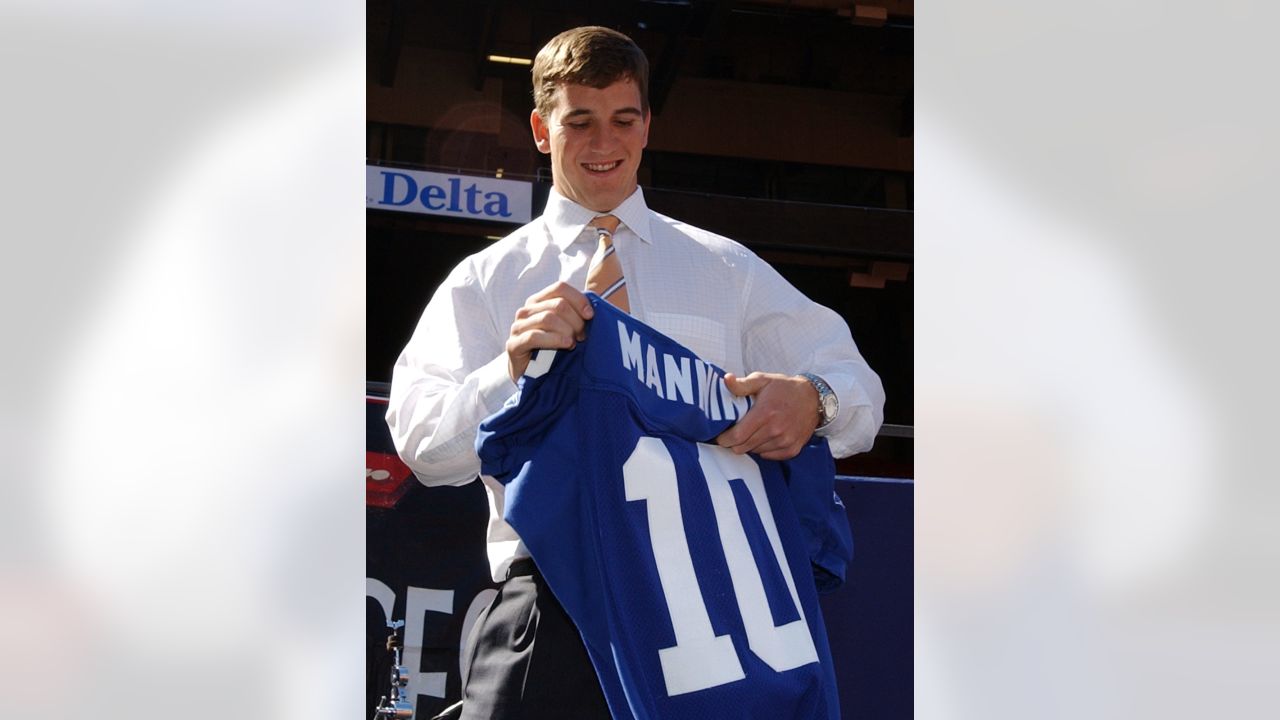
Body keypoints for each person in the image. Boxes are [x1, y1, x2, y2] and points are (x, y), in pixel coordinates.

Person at [386, 25, 885, 720]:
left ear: (648, 126)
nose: (603, 143)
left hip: (712, 607)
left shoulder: (726, 270)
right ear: (540, 128)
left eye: (623, 120)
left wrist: (815, 402)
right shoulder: (485, 282)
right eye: (579, 121)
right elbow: (424, 447)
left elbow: (856, 388)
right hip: (555, 594)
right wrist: (509, 371)